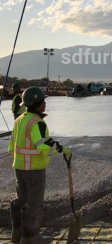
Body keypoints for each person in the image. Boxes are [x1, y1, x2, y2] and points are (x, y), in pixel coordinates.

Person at [8, 87, 72, 244]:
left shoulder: (20, 119)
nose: (45, 104)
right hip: (34, 170)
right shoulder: (37, 123)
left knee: (21, 201)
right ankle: (30, 237)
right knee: (34, 204)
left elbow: (11, 147)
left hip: (19, 167)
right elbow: (44, 146)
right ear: (37, 103)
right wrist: (63, 150)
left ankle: (17, 232)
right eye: (43, 101)